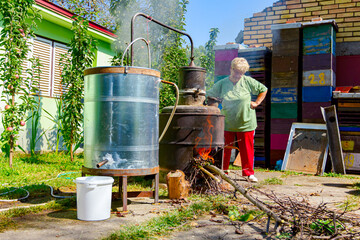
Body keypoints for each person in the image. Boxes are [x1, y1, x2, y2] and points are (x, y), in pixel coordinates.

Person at [206, 57, 267, 182]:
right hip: (227, 122)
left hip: (246, 122)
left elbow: (263, 89)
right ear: (231, 69)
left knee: (247, 148)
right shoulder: (222, 83)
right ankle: (223, 171)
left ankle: (249, 173)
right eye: (236, 71)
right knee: (225, 148)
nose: (238, 75)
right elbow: (210, 94)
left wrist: (256, 103)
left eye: (241, 73)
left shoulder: (248, 81)